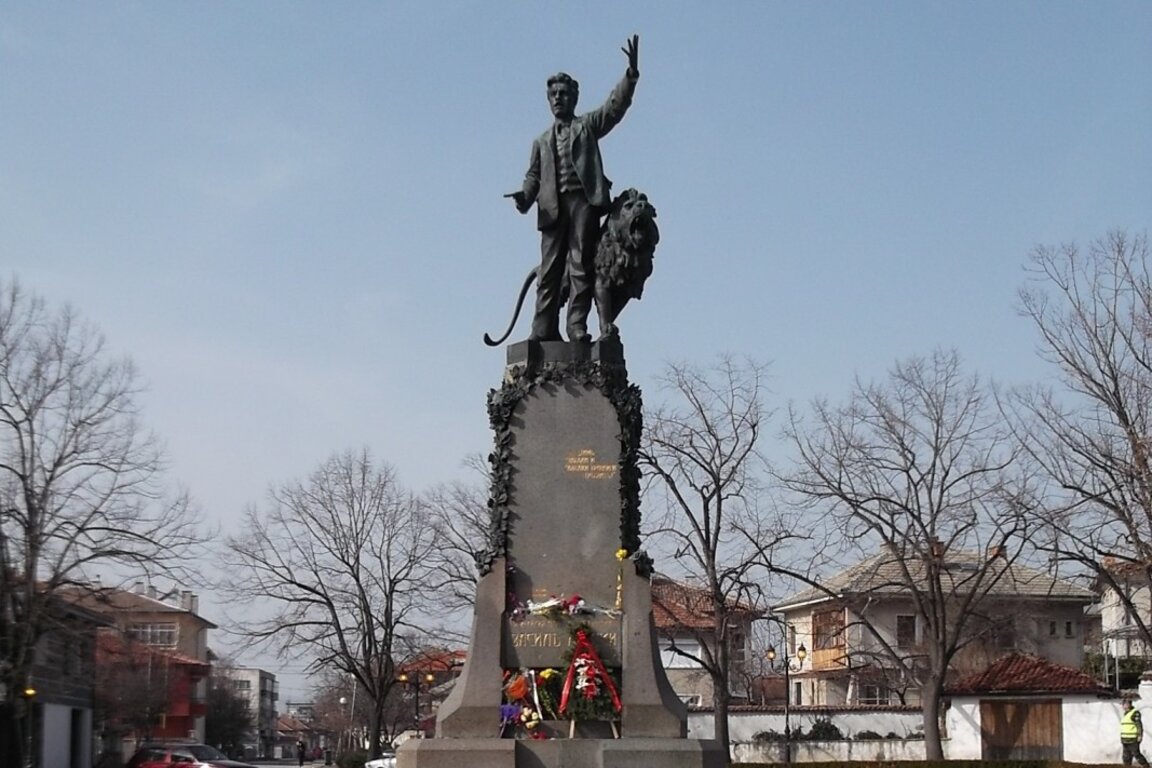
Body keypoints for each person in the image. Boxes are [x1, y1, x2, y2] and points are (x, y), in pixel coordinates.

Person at [508, 35, 640, 343]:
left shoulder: (587, 126)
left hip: (583, 202)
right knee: (549, 270)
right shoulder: (541, 141)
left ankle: (576, 326)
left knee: (581, 264)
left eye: (564, 93)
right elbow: (533, 176)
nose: (558, 98)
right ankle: (543, 328)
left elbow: (613, 108)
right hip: (551, 207)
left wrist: (630, 76)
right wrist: (524, 197)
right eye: (554, 94)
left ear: (574, 98)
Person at [1122, 697, 1150, 767]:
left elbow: (1139, 725)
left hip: (1133, 739)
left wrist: (1140, 735)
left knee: (1136, 754)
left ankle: (1146, 766)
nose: (1123, 706)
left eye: (1125, 704)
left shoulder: (1135, 713)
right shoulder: (1125, 714)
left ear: (1129, 704)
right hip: (1125, 739)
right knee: (1126, 757)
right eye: (1123, 704)